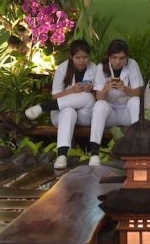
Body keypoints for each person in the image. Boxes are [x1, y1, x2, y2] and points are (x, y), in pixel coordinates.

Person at [24, 39, 100, 170]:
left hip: (85, 116)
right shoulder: (62, 68)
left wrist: (92, 90)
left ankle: (43, 107)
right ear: (71, 56)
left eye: (85, 57)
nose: (82, 61)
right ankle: (62, 156)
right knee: (69, 110)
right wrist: (72, 91)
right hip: (61, 115)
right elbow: (55, 96)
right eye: (78, 58)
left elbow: (100, 97)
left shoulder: (95, 68)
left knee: (88, 97)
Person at [88, 39, 145, 166]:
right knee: (99, 105)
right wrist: (105, 90)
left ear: (127, 58)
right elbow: (99, 97)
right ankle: (94, 153)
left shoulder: (132, 64)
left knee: (135, 101)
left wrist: (125, 89)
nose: (118, 62)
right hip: (110, 113)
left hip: (126, 112)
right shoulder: (101, 67)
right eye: (114, 57)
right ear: (109, 56)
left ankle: (137, 148)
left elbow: (138, 93)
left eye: (122, 58)